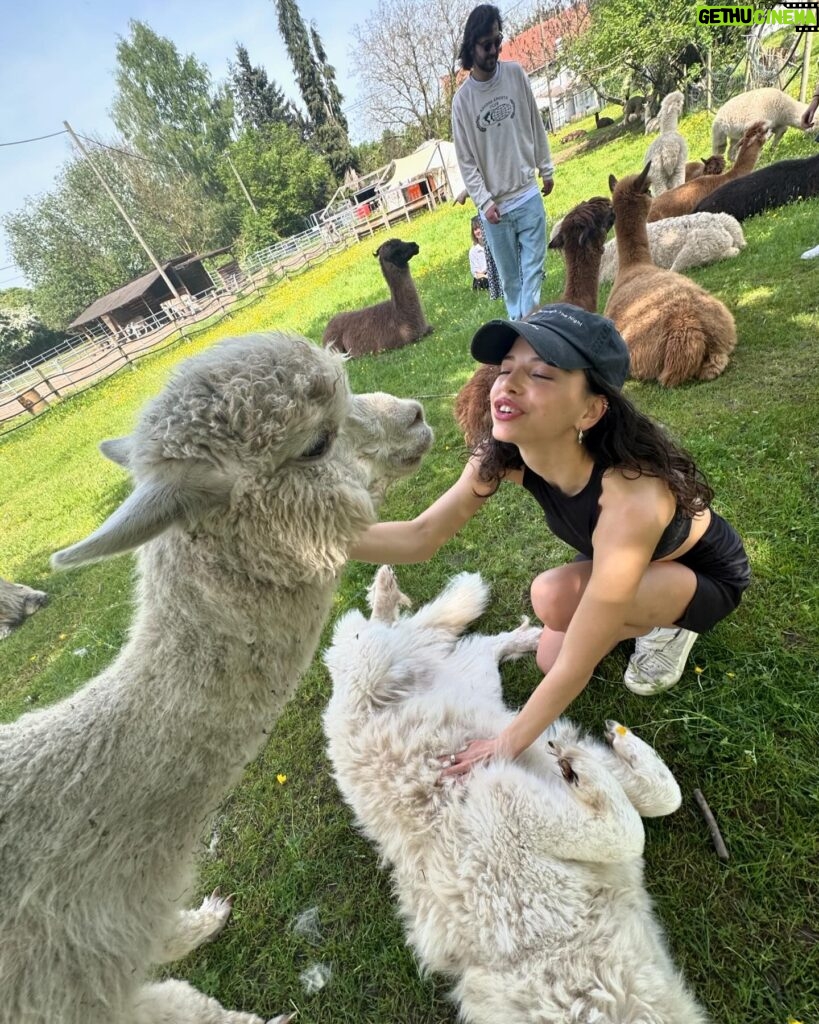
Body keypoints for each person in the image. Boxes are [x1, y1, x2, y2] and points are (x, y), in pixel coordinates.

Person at [351, 304, 751, 776]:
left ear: (590, 410)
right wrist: (310, 540)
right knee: (548, 636)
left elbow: (577, 664)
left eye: (540, 374)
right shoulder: (503, 455)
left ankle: (670, 627)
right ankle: (639, 611)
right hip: (625, 562)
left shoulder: (632, 499)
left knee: (572, 652)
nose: (508, 386)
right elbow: (420, 537)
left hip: (707, 577)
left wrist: (506, 742)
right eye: (505, 370)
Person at [451, 4, 555, 320]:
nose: (494, 50)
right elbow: (466, 160)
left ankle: (525, 330)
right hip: (495, 209)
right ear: (472, 47)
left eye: (498, 41)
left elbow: (535, 123)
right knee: (511, 283)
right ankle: (522, 331)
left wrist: (546, 167)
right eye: (487, 44)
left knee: (533, 272)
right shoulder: (463, 101)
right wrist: (483, 202)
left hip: (527, 193)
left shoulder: (515, 75)